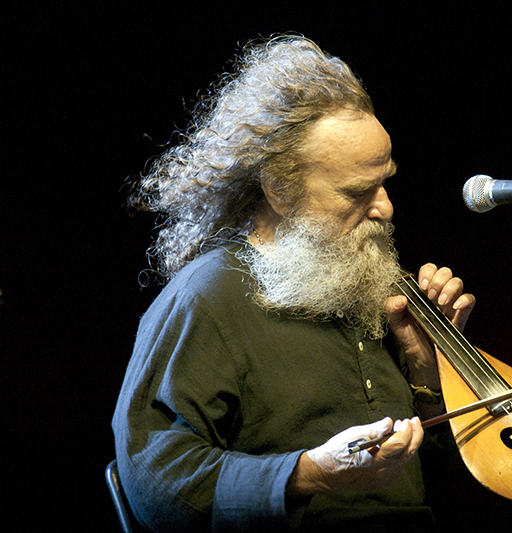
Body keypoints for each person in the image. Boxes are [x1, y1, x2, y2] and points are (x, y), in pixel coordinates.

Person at [112, 35, 475, 532]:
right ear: (279, 190)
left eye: (385, 181)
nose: (385, 207)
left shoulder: (368, 281)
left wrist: (428, 375)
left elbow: (436, 477)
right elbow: (157, 486)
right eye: (357, 191)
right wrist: (307, 475)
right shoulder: (206, 298)